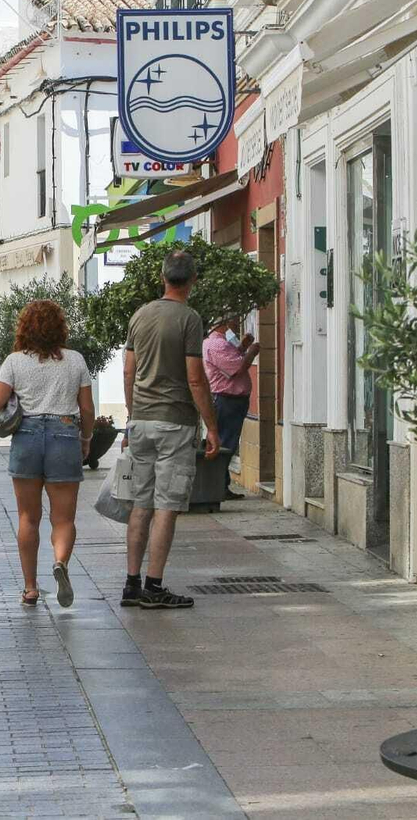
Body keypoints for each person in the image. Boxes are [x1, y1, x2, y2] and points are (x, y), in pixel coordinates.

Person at [121, 250, 220, 611]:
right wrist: (211, 425)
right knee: (167, 506)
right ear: (192, 280)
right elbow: (196, 377)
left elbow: (129, 371)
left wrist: (132, 415)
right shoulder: (190, 319)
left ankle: (131, 584)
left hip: (142, 420)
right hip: (174, 422)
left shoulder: (140, 315)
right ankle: (154, 585)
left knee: (140, 504)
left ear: (162, 278)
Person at [0, 300, 95, 609]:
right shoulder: (75, 360)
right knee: (63, 518)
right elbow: (86, 408)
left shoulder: (14, 361)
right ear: (60, 328)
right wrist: (85, 438)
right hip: (64, 433)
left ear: (24, 328)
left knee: (27, 517)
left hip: (27, 436)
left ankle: (31, 588)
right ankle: (60, 562)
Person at [203, 317, 260, 499]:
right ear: (224, 323)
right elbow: (237, 368)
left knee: (228, 442)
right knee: (226, 444)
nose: (237, 324)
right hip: (227, 400)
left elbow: (233, 359)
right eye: (235, 320)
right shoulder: (217, 344)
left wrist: (242, 348)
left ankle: (222, 485)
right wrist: (252, 352)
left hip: (232, 400)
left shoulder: (222, 342)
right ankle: (218, 486)